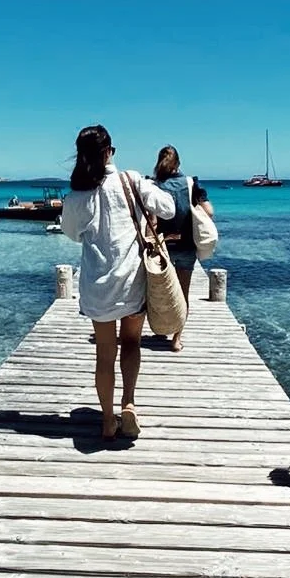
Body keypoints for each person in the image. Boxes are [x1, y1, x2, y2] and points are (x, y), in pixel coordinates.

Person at [61, 124, 175, 440]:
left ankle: (108, 420)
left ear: (81, 157)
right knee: (133, 344)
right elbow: (168, 207)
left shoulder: (76, 196)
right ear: (110, 151)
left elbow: (71, 234)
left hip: (98, 286)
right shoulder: (132, 180)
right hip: (132, 282)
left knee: (104, 354)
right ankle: (128, 403)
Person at [151, 145, 215, 351]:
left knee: (160, 292)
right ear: (178, 163)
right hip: (187, 246)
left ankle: (161, 328)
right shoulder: (191, 184)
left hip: (163, 247)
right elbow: (209, 211)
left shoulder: (154, 186)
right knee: (182, 294)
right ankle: (176, 339)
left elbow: (151, 220)